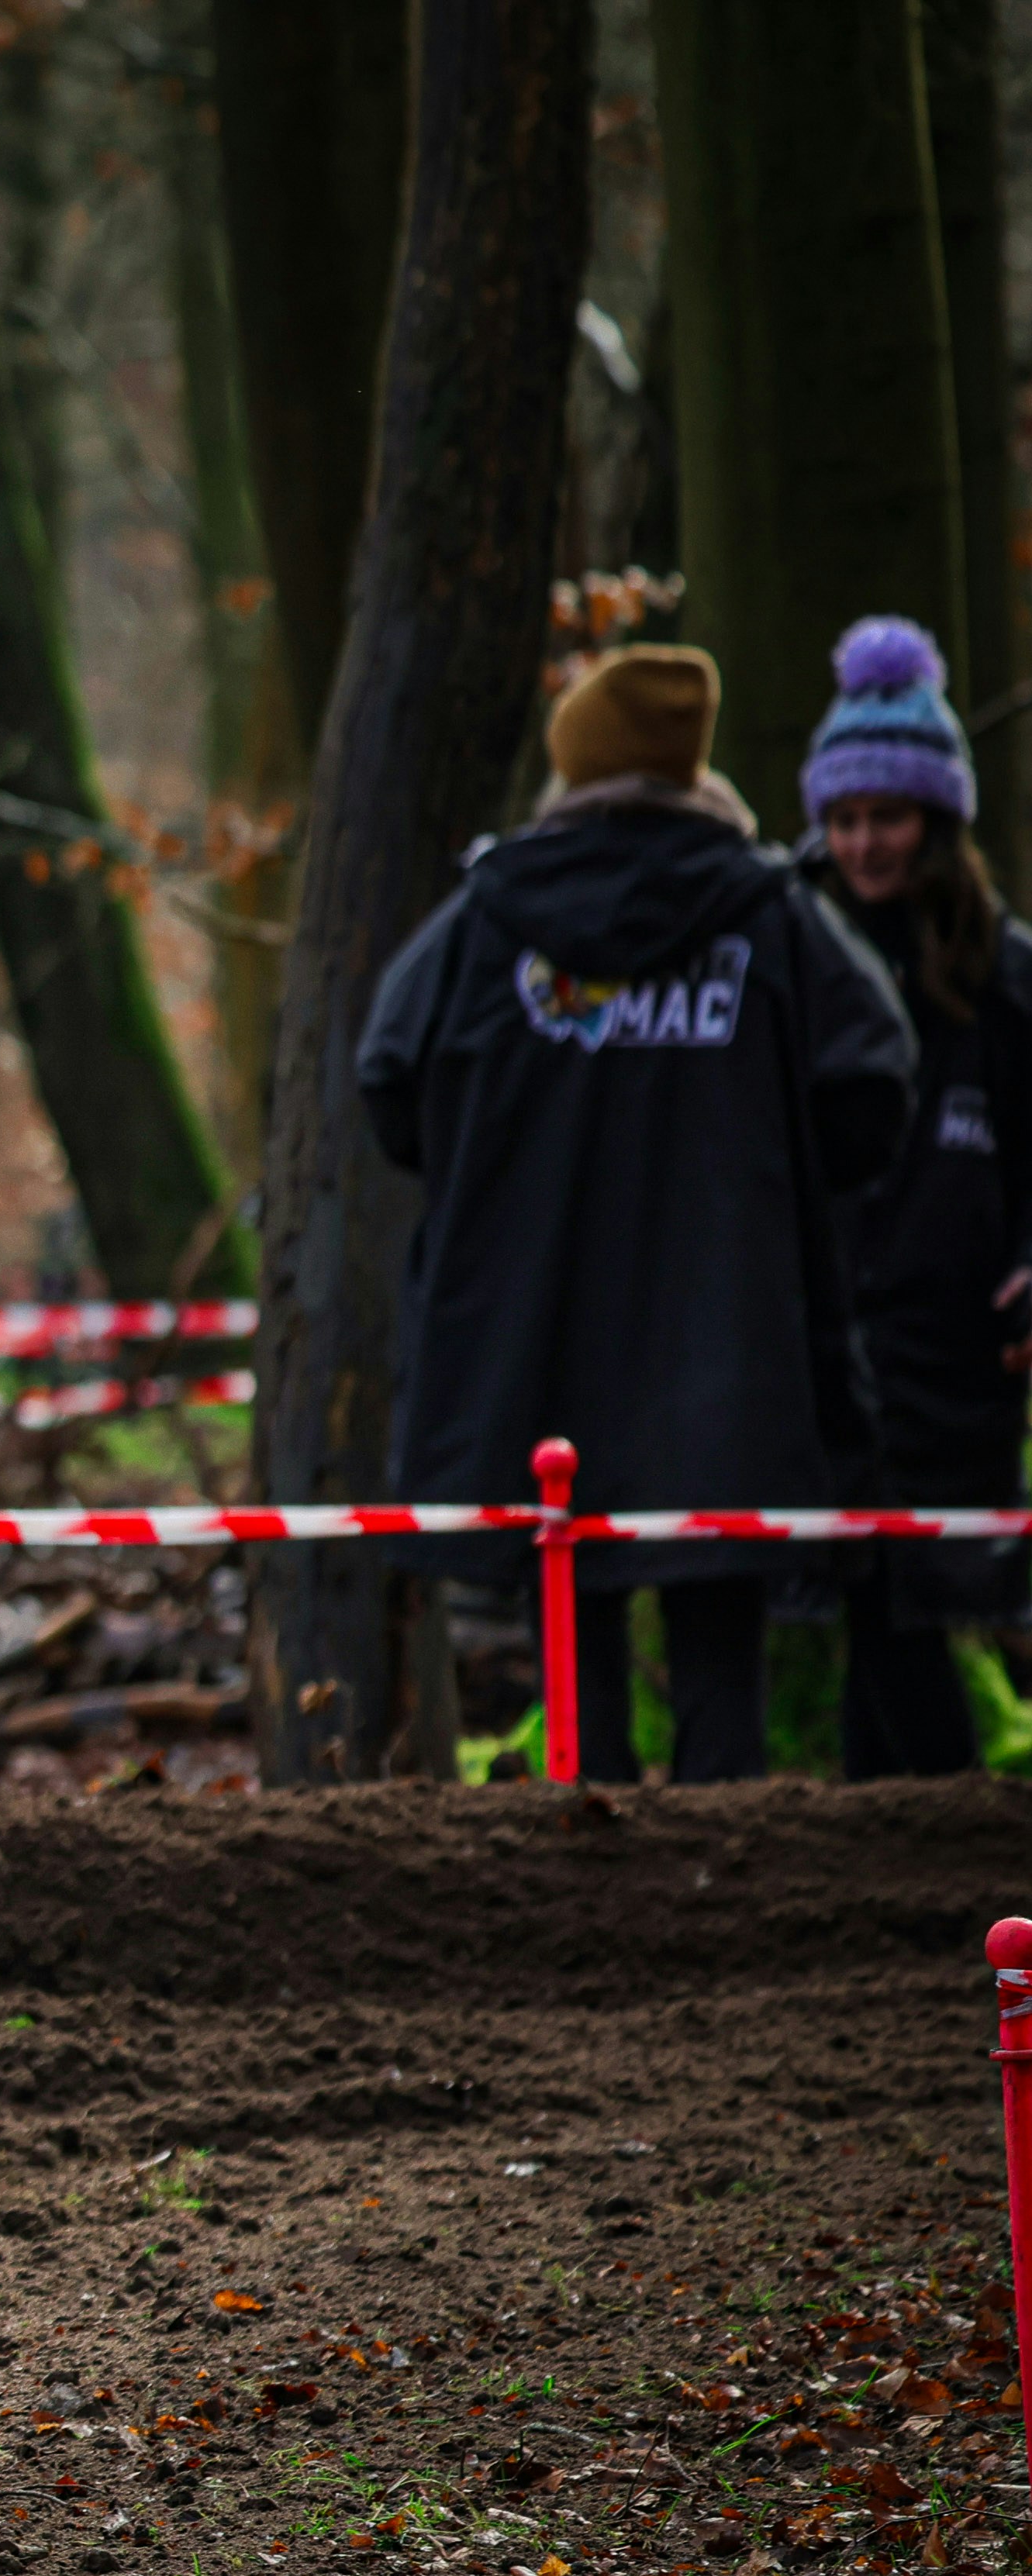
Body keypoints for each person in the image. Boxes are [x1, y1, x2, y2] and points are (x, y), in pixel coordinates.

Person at [358, 643, 915, 1783]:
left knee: (571, 1625)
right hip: (729, 1353)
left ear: (576, 766)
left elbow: (388, 1081)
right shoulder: (770, 913)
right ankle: (718, 1873)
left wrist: (506, 1170)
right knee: (720, 1642)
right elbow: (873, 1081)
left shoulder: (487, 918)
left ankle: (589, 1852)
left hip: (537, 1346)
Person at [793, 615, 1032, 1777]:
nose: (862, 843)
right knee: (869, 1590)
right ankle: (906, 1820)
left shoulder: (1006, 974)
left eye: (884, 817)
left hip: (959, 1337)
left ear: (936, 821)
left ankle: (930, 1818)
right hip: (830, 1326)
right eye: (842, 819)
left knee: (913, 1592)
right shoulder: (791, 948)